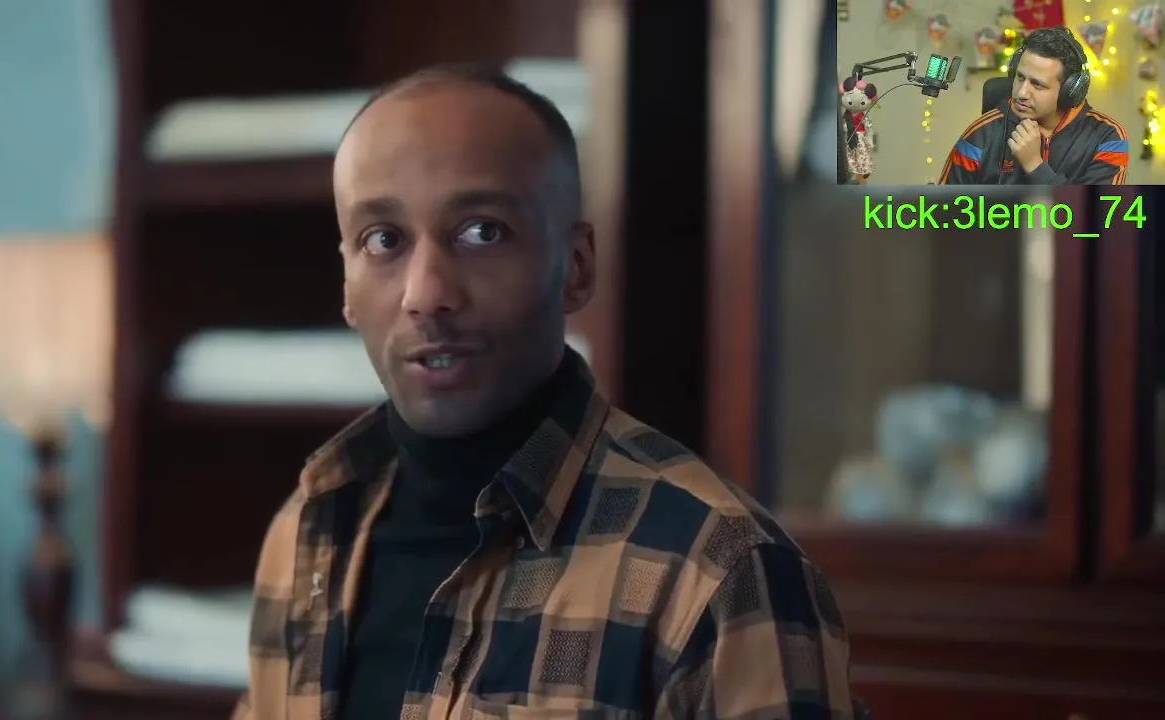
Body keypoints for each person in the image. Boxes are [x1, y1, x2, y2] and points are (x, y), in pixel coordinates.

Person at [232, 64, 859, 720]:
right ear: (346, 285)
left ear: (576, 267)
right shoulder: (307, 534)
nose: (426, 294)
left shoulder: (721, 570)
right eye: (383, 240)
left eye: (482, 232)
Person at [939, 26, 1129, 185]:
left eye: (1038, 85)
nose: (1021, 93)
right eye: (1020, 77)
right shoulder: (980, 134)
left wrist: (1035, 166)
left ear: (1069, 91)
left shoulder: (1108, 138)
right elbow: (942, 211)